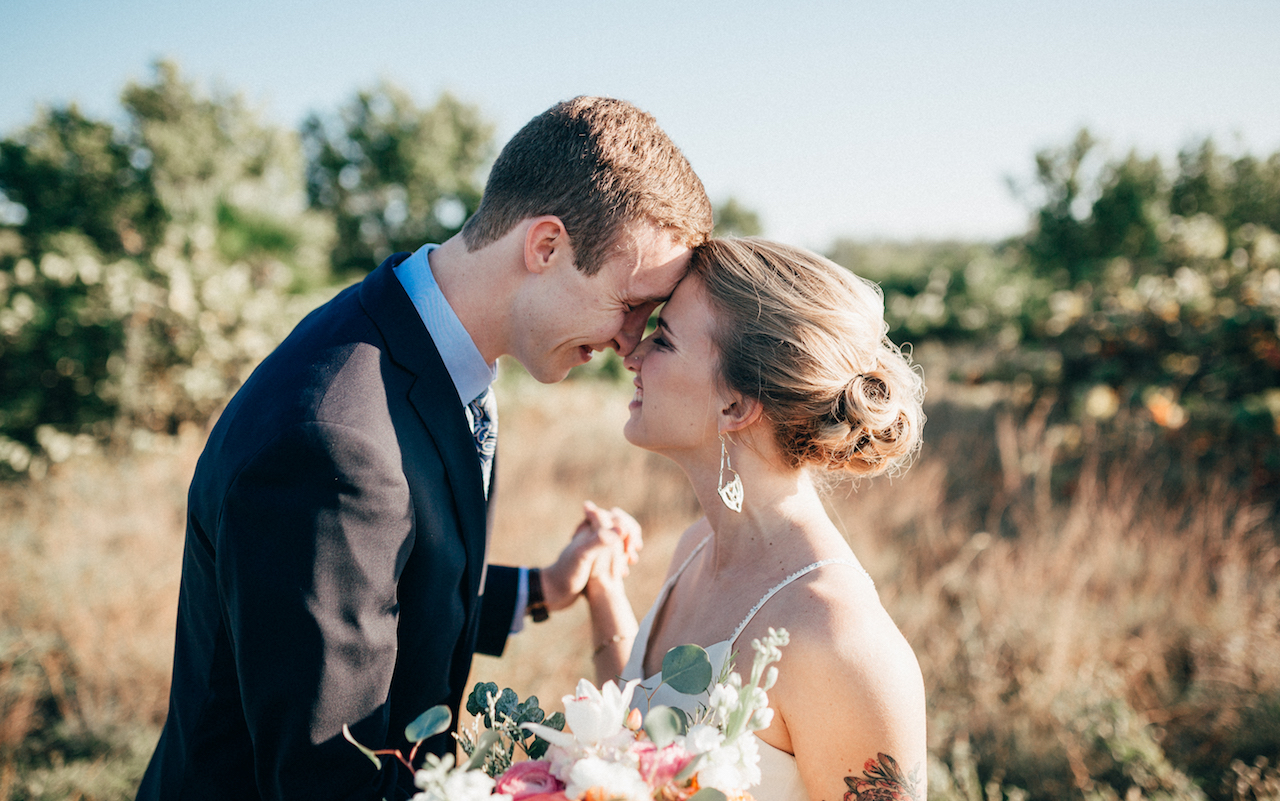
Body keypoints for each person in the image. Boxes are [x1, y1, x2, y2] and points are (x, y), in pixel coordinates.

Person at [136, 96, 712, 801]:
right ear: (547, 247)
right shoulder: (333, 443)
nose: (631, 343)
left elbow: (367, 580)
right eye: (631, 305)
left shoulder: (424, 342)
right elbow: (326, 771)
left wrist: (541, 587)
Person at [582, 238, 928, 801]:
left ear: (736, 406)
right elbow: (640, 740)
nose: (633, 354)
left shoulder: (840, 639)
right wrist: (602, 591)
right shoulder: (695, 547)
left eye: (664, 339)